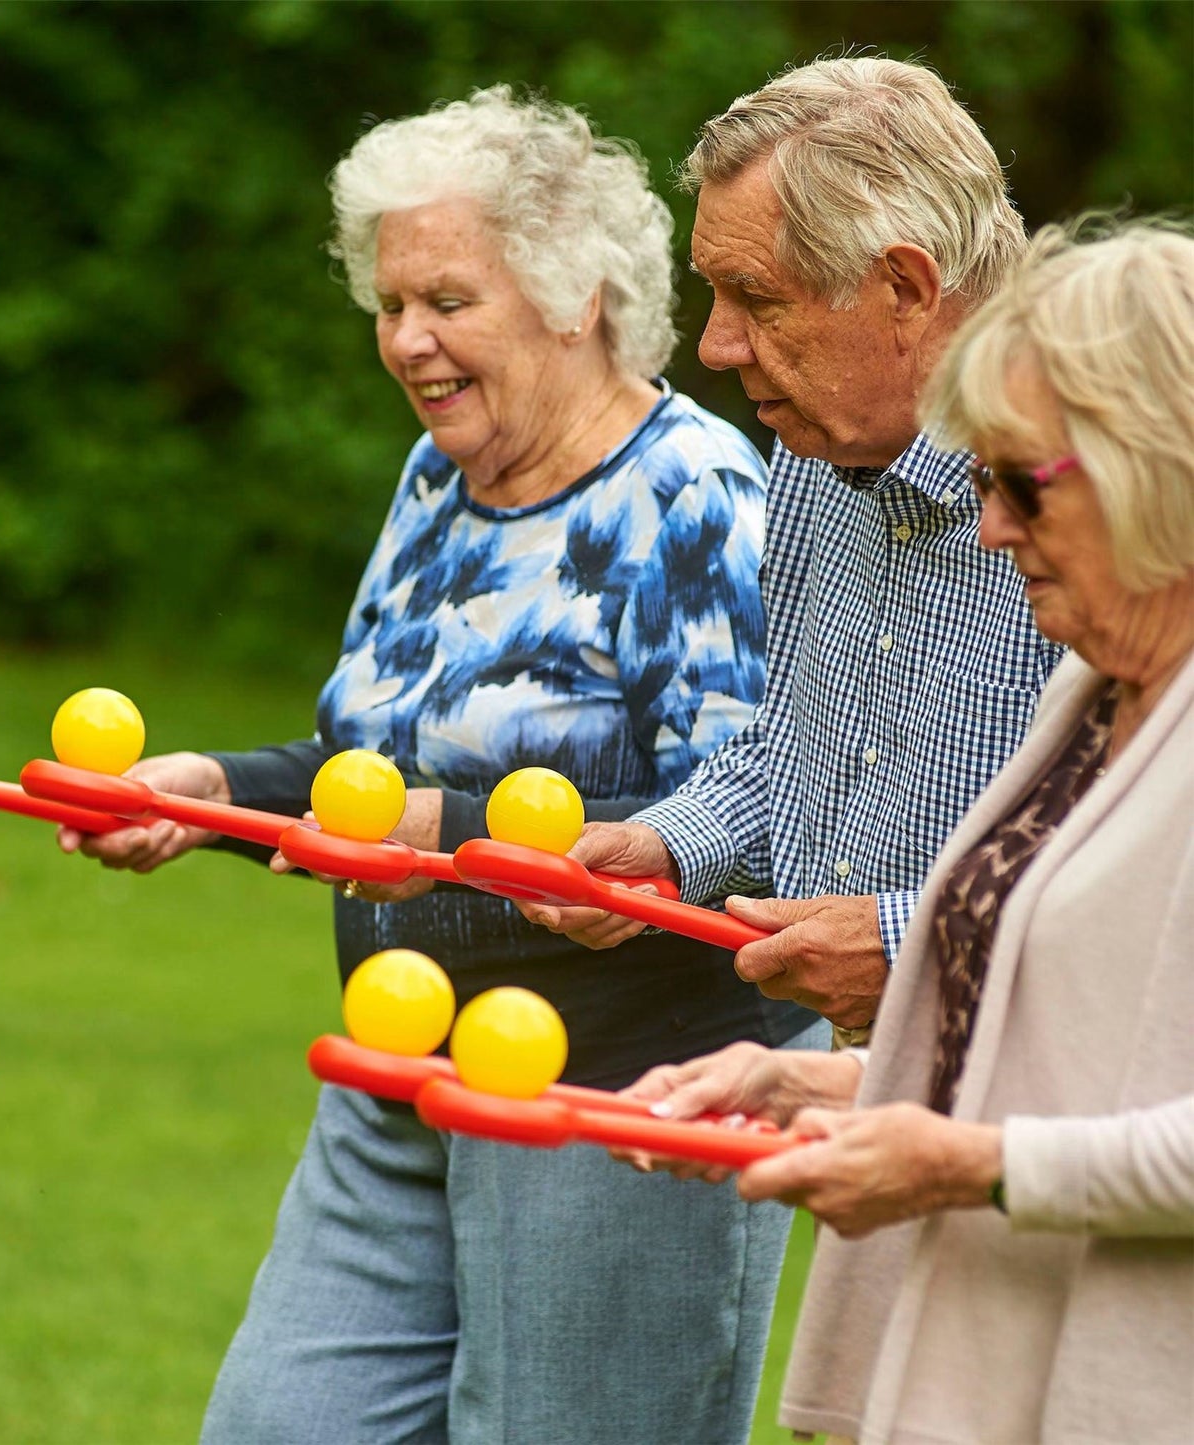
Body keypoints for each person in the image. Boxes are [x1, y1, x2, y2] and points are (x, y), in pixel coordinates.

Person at [60, 88, 822, 1444]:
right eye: (390, 300)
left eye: (448, 300)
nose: (409, 338)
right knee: (280, 1424)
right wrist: (217, 793)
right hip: (400, 1056)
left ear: (576, 294)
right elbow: (367, 767)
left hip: (619, 1091)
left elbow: (770, 821)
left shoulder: (697, 497)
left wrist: (450, 822)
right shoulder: (438, 478)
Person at [621, 218, 1194, 1444]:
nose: (986, 527)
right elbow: (1079, 1061)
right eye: (979, 479)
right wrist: (817, 1081)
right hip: (1006, 1359)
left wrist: (959, 1163)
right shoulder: (1091, 692)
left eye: (1019, 481)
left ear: (1159, 465)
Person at [521, 57, 1063, 1042]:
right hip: (870, 1089)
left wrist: (914, 944)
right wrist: (669, 843)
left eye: (756, 300)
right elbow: (811, 739)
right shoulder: (818, 446)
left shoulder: (1107, 495)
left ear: (903, 285)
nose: (716, 346)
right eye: (712, 294)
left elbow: (1151, 857)